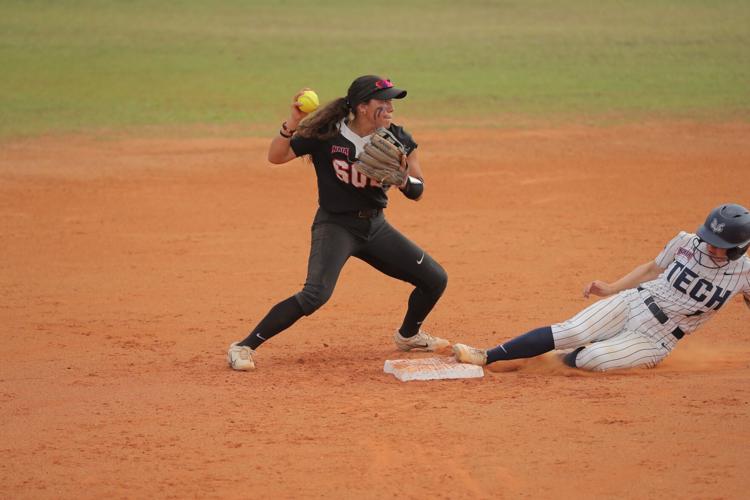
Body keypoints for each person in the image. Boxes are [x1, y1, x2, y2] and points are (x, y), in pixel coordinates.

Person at [227, 75, 449, 371]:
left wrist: (402, 177)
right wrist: (292, 121)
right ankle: (243, 346)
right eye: (382, 102)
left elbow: (418, 190)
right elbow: (276, 157)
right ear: (361, 106)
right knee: (315, 295)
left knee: (435, 279)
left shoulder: (397, 139)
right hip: (336, 226)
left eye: (391, 101)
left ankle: (408, 336)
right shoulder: (326, 134)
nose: (390, 108)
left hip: (375, 227)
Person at [453, 203, 750, 372]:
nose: (711, 247)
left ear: (739, 248)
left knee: (594, 359)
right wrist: (611, 289)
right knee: (573, 331)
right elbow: (650, 269)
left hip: (658, 339)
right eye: (710, 239)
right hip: (634, 302)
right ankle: (486, 355)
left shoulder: (744, 274)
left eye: (721, 246)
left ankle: (550, 358)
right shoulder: (686, 242)